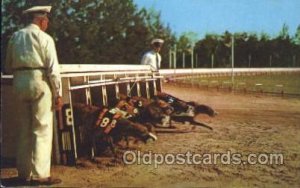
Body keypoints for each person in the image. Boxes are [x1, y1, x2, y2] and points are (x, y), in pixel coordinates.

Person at [4, 5, 62, 186]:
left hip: (19, 81)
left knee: (24, 129)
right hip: (39, 80)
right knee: (42, 128)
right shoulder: (45, 38)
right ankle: (40, 175)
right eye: (46, 21)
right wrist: (58, 93)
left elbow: (7, 65)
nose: (47, 24)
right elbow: (53, 69)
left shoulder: (15, 37)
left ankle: (23, 173)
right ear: (41, 20)